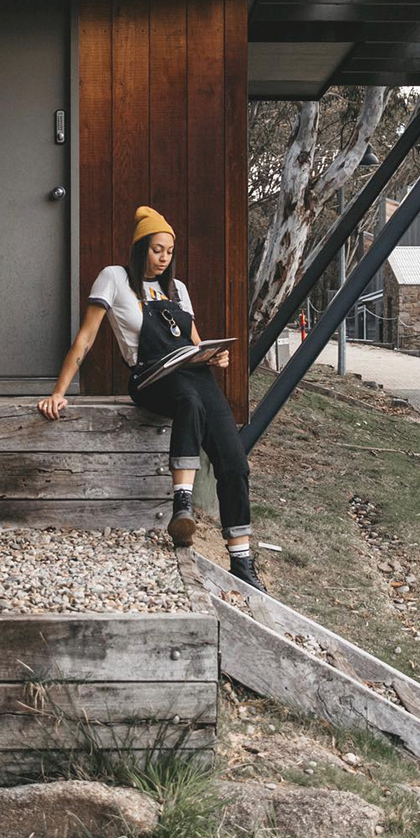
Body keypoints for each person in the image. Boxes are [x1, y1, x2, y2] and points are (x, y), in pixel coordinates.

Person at [36, 205, 268, 593]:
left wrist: (217, 356)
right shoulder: (114, 279)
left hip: (194, 374)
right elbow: (87, 337)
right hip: (151, 376)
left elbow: (195, 344)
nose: (164, 258)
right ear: (141, 246)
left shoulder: (178, 290)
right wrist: (59, 392)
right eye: (157, 249)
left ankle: (241, 560)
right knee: (188, 403)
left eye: (169, 252)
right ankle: (182, 506)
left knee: (234, 462)